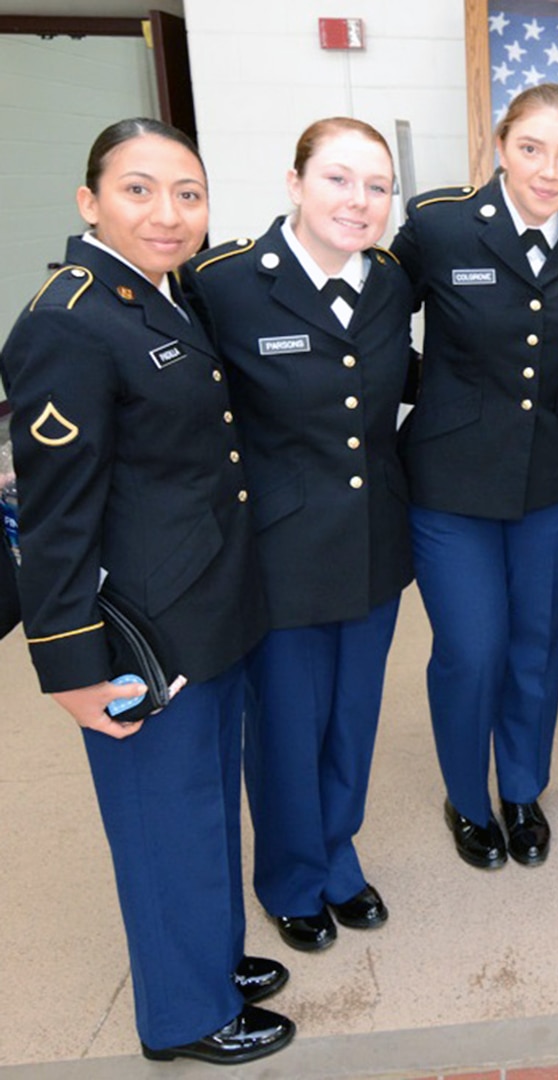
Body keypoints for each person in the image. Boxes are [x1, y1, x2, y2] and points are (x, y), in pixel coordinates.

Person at [0, 118, 293, 1064]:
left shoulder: (161, 297)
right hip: (136, 632)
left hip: (204, 603)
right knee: (161, 825)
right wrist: (69, 667)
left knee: (207, 803)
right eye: (139, 189)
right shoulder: (68, 321)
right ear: (90, 202)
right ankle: (184, 1016)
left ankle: (211, 957)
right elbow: (53, 517)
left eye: (188, 193)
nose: (168, 213)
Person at [184, 118, 413, 952]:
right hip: (278, 551)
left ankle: (336, 854)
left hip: (373, 541)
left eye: (377, 186)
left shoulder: (389, 281)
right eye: (339, 179)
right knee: (285, 728)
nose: (359, 201)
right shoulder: (226, 282)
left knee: (352, 719)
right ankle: (289, 876)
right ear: (294, 183)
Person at [391, 84, 558, 870]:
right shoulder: (439, 224)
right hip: (450, 479)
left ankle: (521, 788)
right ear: (501, 144)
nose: (549, 171)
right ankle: (466, 795)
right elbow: (375, 327)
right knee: (472, 647)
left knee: (535, 645)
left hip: (550, 480)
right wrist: (435, 392)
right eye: (533, 149)